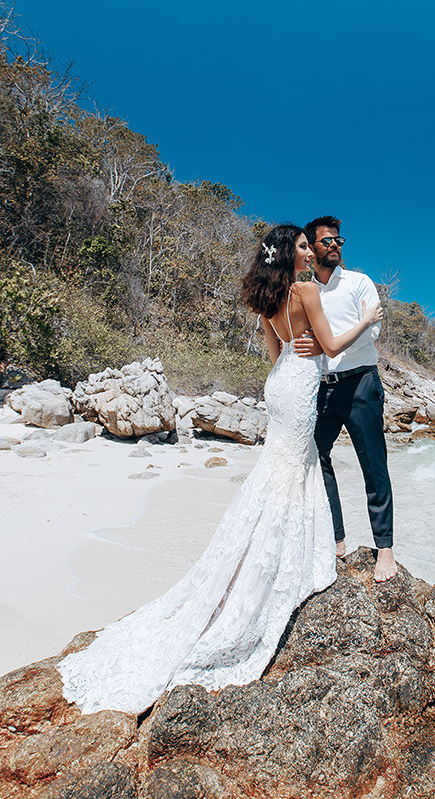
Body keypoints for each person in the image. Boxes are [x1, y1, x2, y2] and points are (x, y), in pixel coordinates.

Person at [57, 224, 382, 716]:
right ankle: (287, 559)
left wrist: (301, 352)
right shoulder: (307, 289)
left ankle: (274, 550)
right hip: (298, 390)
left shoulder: (269, 296)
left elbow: (278, 354)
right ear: (293, 254)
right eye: (301, 246)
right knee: (292, 472)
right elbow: (333, 348)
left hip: (279, 385)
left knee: (280, 472)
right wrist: (368, 319)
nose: (308, 252)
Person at [294, 216, 397, 582]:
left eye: (339, 240)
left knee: (373, 465)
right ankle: (336, 538)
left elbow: (373, 333)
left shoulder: (359, 283)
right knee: (314, 454)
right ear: (312, 248)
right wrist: (309, 345)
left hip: (361, 385)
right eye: (327, 241)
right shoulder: (305, 292)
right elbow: (301, 337)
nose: (336, 246)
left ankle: (384, 549)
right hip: (324, 387)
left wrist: (324, 342)